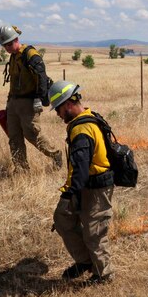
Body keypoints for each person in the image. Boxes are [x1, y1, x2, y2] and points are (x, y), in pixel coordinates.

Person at [49, 80, 114, 284]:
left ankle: (104, 275)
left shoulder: (82, 131)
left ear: (68, 104)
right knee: (63, 219)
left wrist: (70, 194)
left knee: (94, 232)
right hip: (86, 186)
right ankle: (85, 261)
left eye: (58, 109)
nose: (58, 115)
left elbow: (81, 168)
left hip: (95, 188)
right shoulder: (89, 116)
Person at [0, 25, 63, 171]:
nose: (7, 47)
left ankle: (55, 154)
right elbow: (14, 82)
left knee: (32, 134)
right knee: (14, 138)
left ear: (16, 39)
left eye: (9, 43)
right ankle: (21, 170)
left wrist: (39, 98)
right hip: (14, 103)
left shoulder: (30, 54)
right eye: (4, 45)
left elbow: (42, 77)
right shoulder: (14, 57)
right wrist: (9, 103)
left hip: (29, 102)